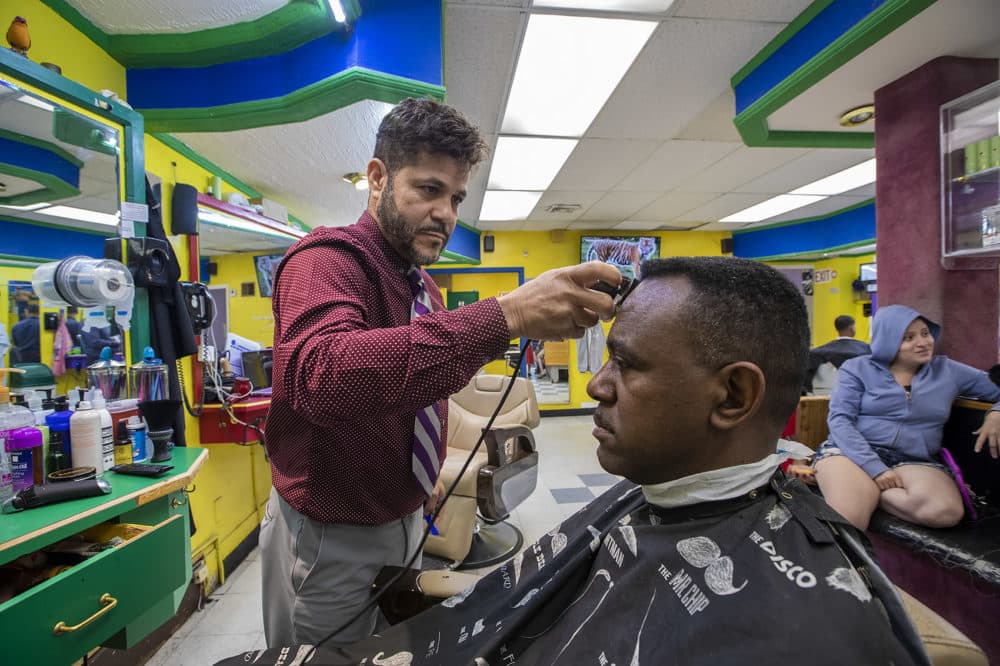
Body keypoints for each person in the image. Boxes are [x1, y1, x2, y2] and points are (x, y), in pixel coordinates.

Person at [224, 257, 928, 666]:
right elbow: (318, 375)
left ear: (733, 394)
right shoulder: (654, 495)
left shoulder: (804, 637)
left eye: (626, 364)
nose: (595, 384)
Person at [260, 97, 622, 649]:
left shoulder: (423, 285)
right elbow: (324, 380)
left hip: (403, 513)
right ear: (378, 180)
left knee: (385, 648)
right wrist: (509, 314)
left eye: (455, 197)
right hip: (331, 531)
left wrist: (422, 476)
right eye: (429, 190)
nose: (447, 213)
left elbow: (419, 382)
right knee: (323, 657)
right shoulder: (326, 261)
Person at [815, 304, 1000, 531]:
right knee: (849, 520)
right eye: (908, 338)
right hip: (852, 454)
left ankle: (872, 493)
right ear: (887, 341)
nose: (923, 342)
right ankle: (861, 490)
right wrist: (875, 468)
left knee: (946, 512)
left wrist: (996, 412)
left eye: (925, 333)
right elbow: (840, 420)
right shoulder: (857, 368)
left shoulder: (947, 370)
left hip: (913, 459)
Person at [803, 314, 871, 395]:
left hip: (825, 394)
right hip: (860, 391)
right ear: (852, 328)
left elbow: (806, 376)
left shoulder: (817, 352)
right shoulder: (867, 349)